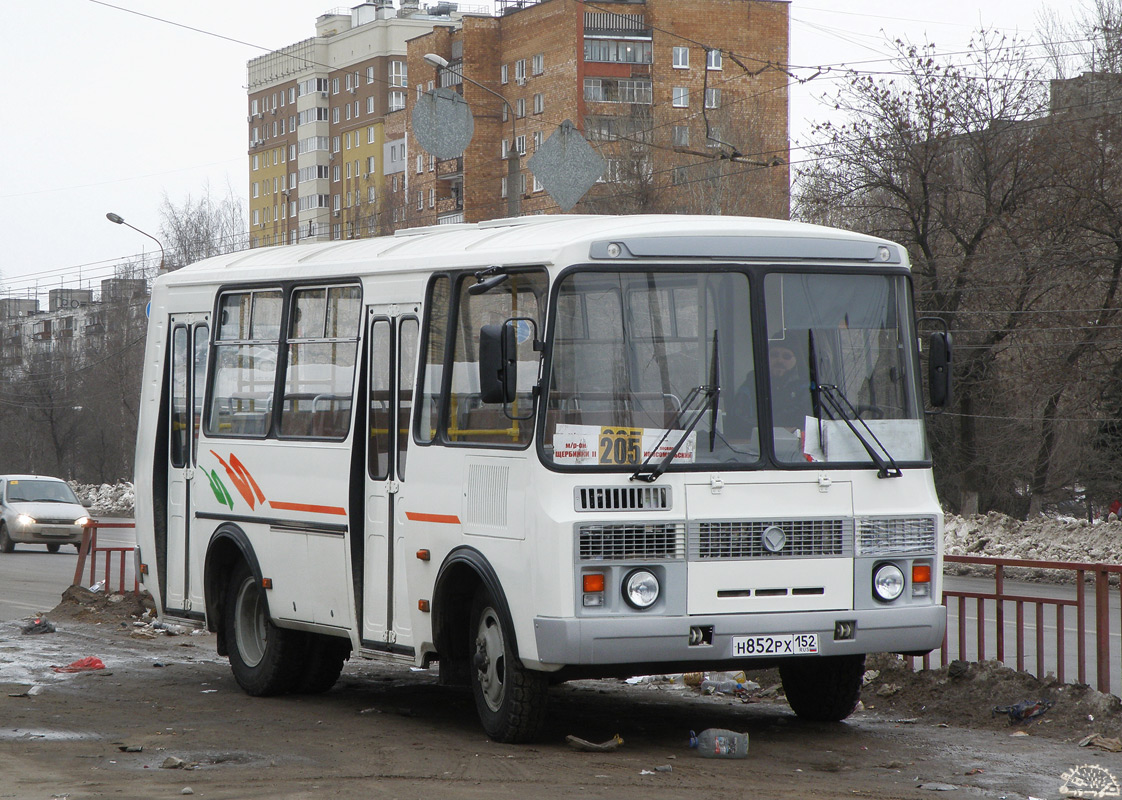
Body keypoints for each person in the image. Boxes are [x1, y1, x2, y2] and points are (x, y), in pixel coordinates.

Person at [727, 340, 814, 437]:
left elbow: (805, 418)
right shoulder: (751, 385)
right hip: (758, 446)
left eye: (786, 356)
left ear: (796, 359)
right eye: (774, 355)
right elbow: (737, 420)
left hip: (796, 448)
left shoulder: (806, 388)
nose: (779, 360)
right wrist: (773, 428)